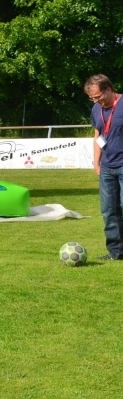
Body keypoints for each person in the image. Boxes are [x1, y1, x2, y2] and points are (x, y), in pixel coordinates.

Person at [86, 74, 123, 261]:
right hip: (107, 167)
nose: (95, 101)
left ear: (109, 89)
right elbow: (98, 135)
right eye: (92, 98)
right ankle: (116, 252)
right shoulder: (96, 109)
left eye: (98, 96)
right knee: (109, 211)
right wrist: (96, 162)